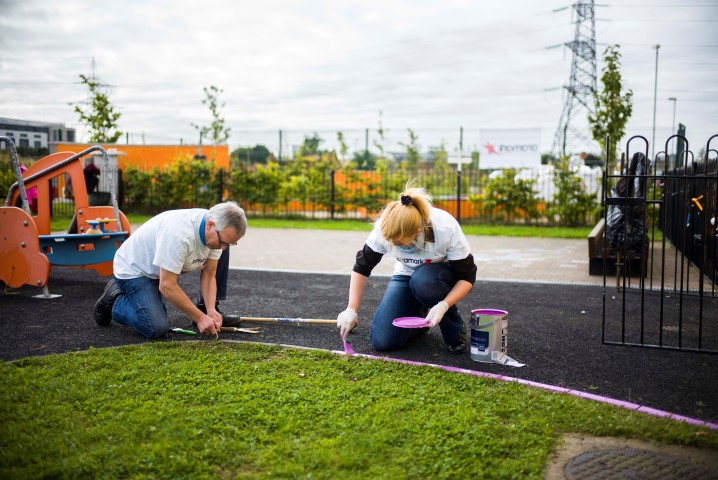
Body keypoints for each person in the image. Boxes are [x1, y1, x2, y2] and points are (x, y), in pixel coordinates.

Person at [336, 185, 477, 353]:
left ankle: (455, 331)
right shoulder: (384, 227)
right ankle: (421, 320)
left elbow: (467, 277)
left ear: (418, 231)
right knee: (383, 342)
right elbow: (362, 267)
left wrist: (444, 305)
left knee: (423, 279)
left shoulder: (444, 227)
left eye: (400, 243)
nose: (394, 245)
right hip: (405, 274)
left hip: (439, 276)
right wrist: (351, 309)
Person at [93, 201, 247, 338]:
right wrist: (200, 318)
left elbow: (209, 275)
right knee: (155, 327)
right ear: (210, 225)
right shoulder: (178, 235)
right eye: (223, 242)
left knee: (158, 318)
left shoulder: (217, 231)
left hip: (158, 270)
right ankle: (114, 298)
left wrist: (211, 310)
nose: (223, 248)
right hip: (134, 270)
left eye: (228, 244)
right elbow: (167, 286)